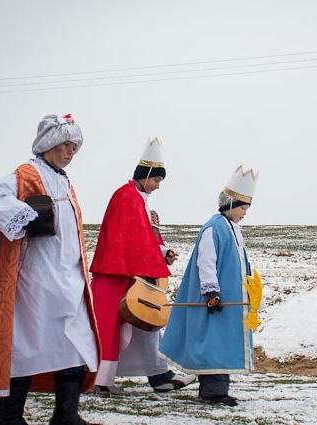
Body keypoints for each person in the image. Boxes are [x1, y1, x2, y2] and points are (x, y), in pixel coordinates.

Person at [0, 114, 101, 425]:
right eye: (65, 145)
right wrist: (27, 217)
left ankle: (66, 413)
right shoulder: (26, 172)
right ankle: (10, 418)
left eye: (74, 147)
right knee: (26, 342)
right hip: (35, 277)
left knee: (76, 340)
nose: (70, 152)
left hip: (68, 276)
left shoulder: (63, 179)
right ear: (48, 144)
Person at [89, 137, 195, 395]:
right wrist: (154, 259)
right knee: (114, 326)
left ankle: (158, 373)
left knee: (146, 324)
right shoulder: (125, 197)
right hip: (117, 273)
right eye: (157, 180)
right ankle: (101, 380)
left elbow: (143, 238)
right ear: (146, 175)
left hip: (132, 273)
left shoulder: (138, 199)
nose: (157, 187)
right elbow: (126, 239)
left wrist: (162, 252)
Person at [159, 165, 259, 407]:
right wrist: (211, 292)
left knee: (222, 341)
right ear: (231, 205)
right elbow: (206, 262)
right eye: (243, 207)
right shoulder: (214, 228)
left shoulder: (233, 229)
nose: (245, 212)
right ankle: (212, 392)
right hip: (213, 300)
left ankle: (217, 390)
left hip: (228, 302)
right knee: (213, 342)